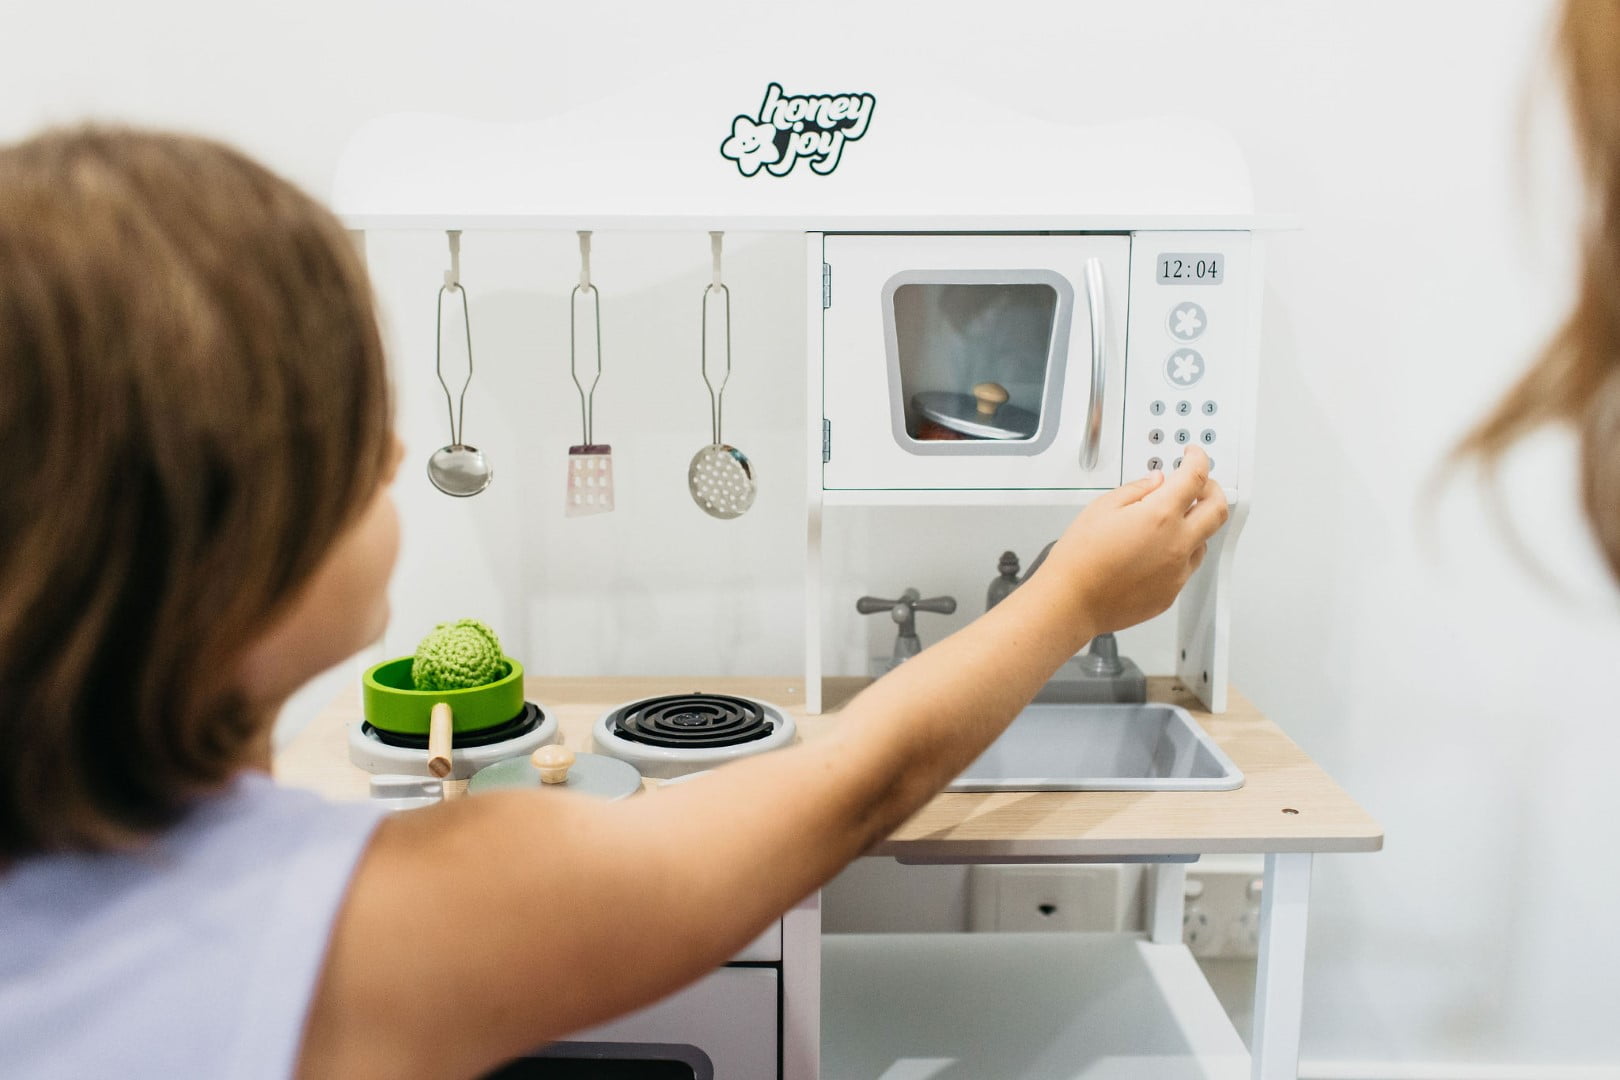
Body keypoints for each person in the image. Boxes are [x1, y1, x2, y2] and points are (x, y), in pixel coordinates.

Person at [0, 127, 1227, 1079]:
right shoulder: (369, 924)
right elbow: (858, 780)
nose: (392, 458)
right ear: (220, 539)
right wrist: (1073, 594)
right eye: (350, 436)